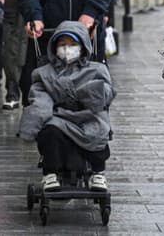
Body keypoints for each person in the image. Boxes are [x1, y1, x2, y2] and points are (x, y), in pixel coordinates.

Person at [18, 20, 115, 191]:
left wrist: (93, 92)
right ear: (54, 48)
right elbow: (40, 99)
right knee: (50, 132)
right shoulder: (44, 73)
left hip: (88, 114)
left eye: (72, 44)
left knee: (99, 130)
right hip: (60, 116)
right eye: (62, 44)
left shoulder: (96, 70)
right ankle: (50, 173)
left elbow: (106, 93)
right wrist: (30, 126)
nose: (67, 49)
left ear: (83, 46)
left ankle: (98, 172)